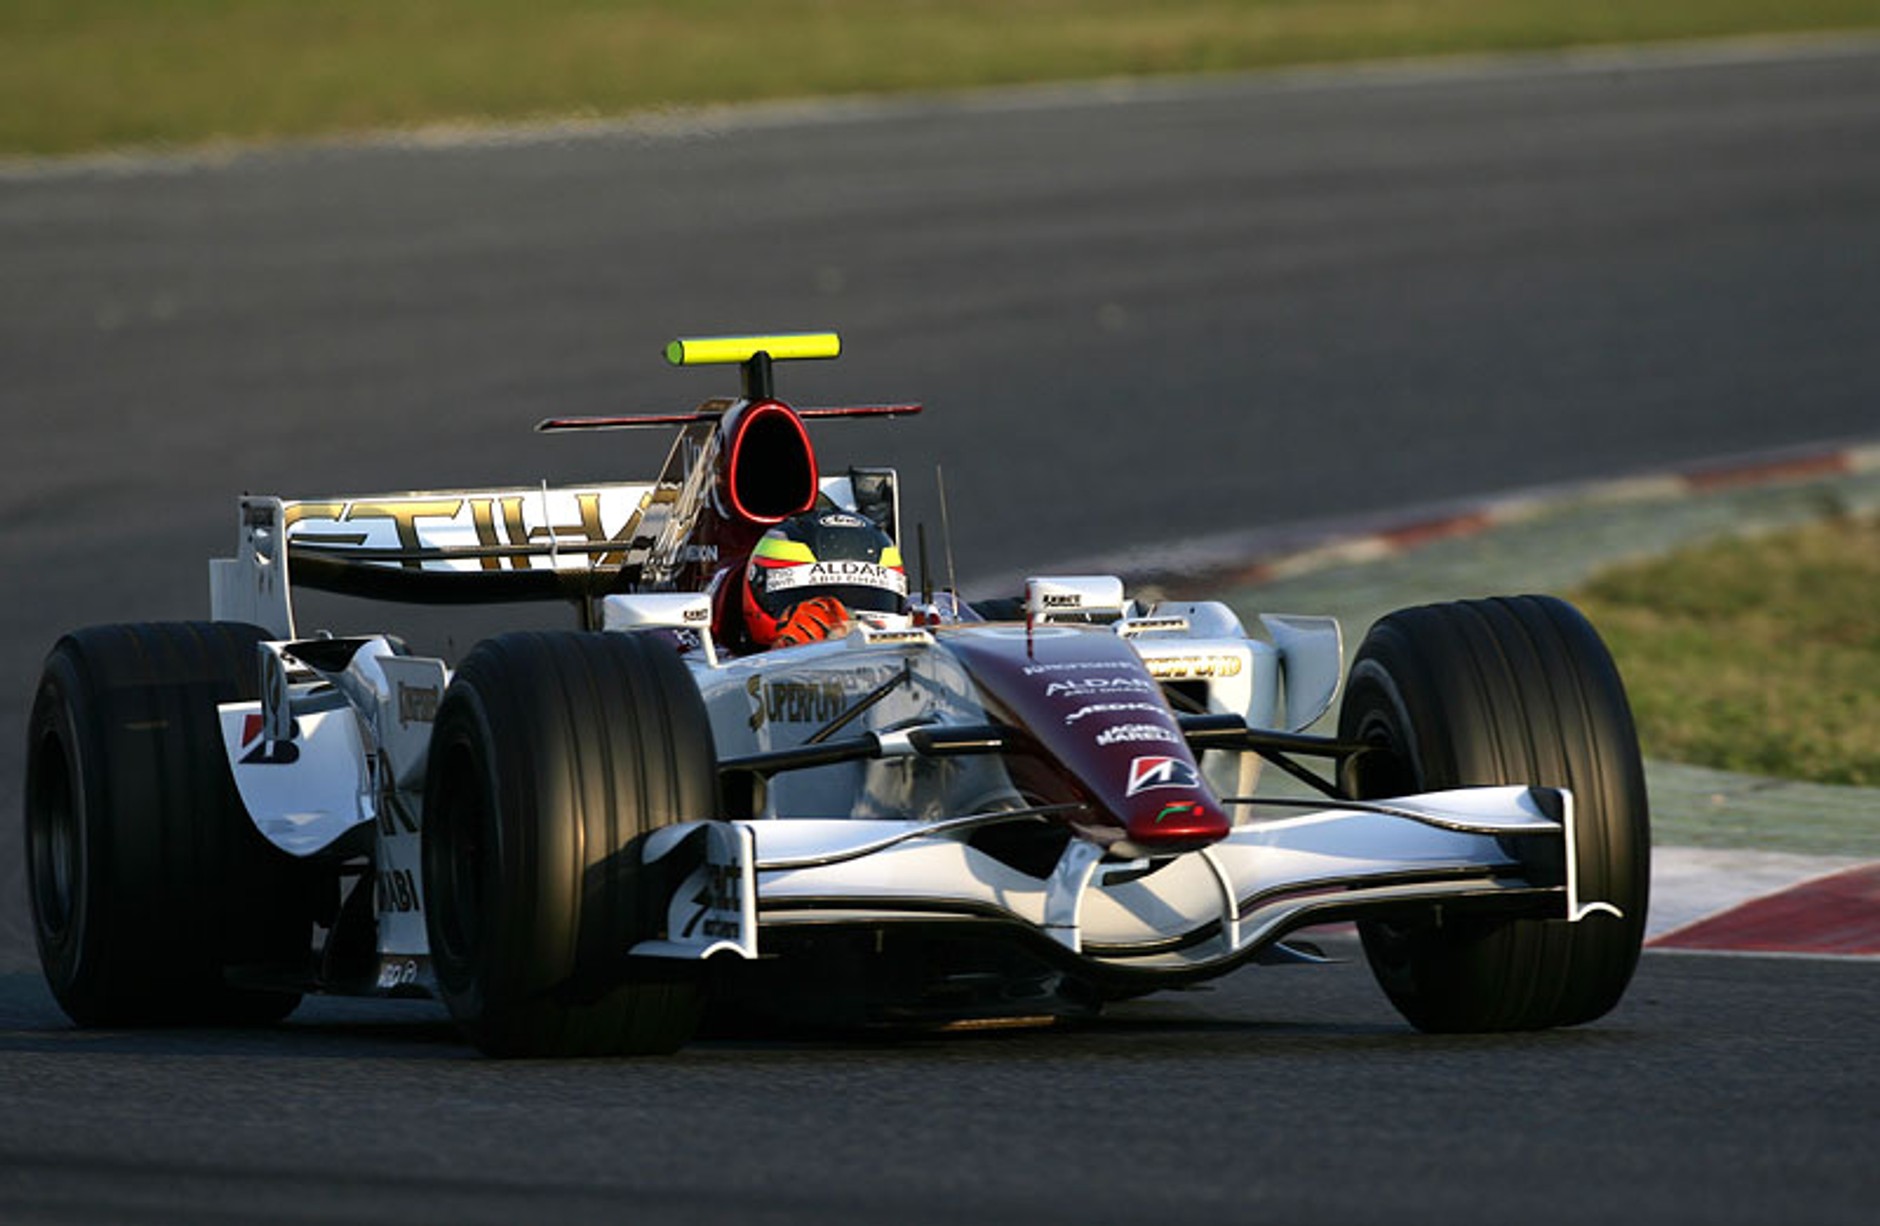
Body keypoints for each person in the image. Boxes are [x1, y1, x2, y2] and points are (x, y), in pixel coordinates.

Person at [724, 510, 908, 650]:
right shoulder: (708, 668)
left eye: (866, 599)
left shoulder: (920, 649)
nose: (844, 623)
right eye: (809, 598)